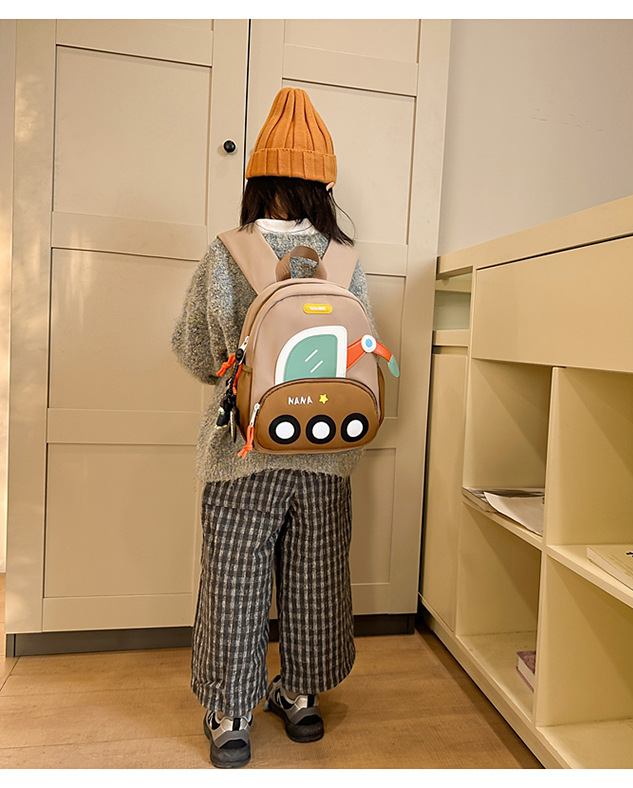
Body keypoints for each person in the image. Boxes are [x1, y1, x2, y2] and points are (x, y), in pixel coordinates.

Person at [171, 87, 375, 768]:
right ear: (325, 185)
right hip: (328, 451)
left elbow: (196, 351)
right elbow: (364, 352)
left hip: (243, 450)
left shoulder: (228, 252)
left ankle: (231, 715)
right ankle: (301, 697)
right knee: (316, 576)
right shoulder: (344, 259)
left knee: (235, 578)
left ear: (256, 178)